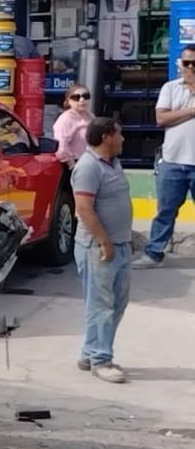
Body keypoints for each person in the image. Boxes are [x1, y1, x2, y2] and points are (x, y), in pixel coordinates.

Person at [71, 116, 132, 384]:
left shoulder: (113, 162)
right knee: (102, 306)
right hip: (98, 247)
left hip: (119, 244)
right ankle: (101, 360)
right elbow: (84, 209)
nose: (123, 139)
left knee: (116, 303)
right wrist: (105, 241)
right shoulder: (88, 167)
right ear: (107, 136)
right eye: (119, 134)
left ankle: (90, 352)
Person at [133, 46, 195, 269]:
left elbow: (169, 116)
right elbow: (161, 118)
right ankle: (154, 253)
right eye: (186, 63)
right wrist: (191, 111)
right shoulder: (170, 88)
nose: (190, 68)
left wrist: (178, 115)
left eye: (194, 63)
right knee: (165, 212)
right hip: (173, 161)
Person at [52, 83, 94, 164]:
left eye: (86, 96)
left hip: (90, 161)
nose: (82, 100)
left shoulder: (91, 116)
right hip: (74, 163)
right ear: (68, 101)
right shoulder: (65, 120)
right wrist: (72, 165)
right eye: (76, 97)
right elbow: (61, 147)